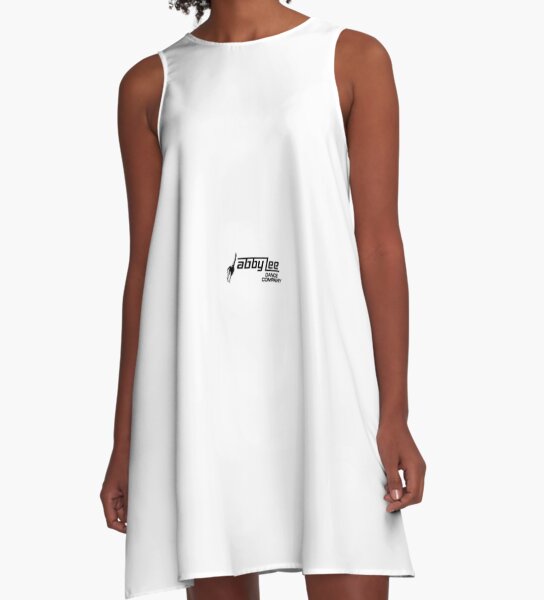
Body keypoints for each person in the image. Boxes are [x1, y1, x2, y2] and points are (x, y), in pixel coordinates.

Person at [101, 1, 426, 598]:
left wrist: (395, 413)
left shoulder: (353, 57)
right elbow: (144, 270)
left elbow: (380, 244)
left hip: (327, 378)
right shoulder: (150, 84)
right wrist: (126, 443)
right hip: (202, 390)